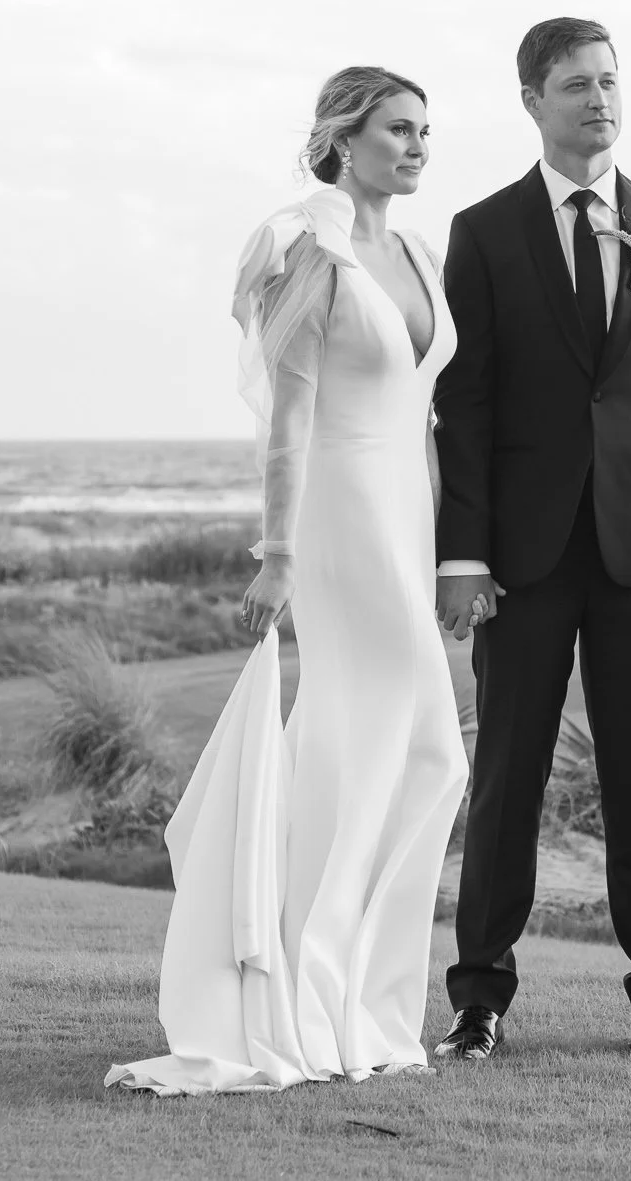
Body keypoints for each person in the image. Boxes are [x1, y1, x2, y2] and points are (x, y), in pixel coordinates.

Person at [107, 67, 467, 1095]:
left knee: (396, 754)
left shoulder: (419, 252)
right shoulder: (307, 248)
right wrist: (277, 553)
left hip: (407, 512)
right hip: (339, 513)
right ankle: (308, 1002)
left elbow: (423, 412)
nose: (417, 146)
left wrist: (451, 547)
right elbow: (290, 418)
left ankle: (365, 1006)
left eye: (425, 131)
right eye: (397, 129)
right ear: (343, 140)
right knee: (417, 746)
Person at [431, 17, 631, 1061]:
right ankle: (478, 1001)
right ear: (532, 99)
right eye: (575, 84)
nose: (598, 99)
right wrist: (462, 553)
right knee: (507, 779)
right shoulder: (483, 232)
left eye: (609, 80)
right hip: (522, 559)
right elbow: (464, 404)